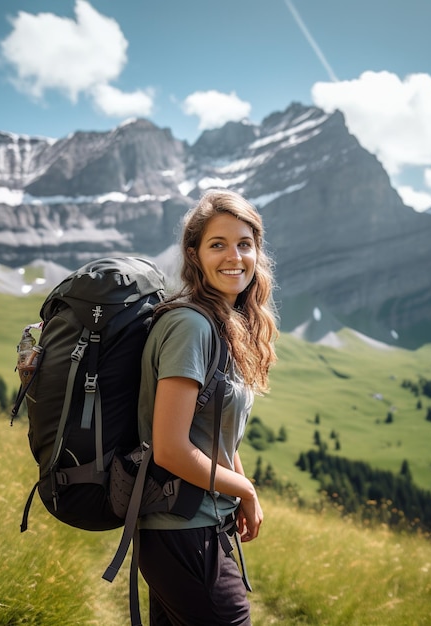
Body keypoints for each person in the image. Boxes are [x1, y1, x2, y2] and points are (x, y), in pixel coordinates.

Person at [137, 189, 279, 625]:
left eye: (244, 244)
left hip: (198, 526)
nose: (233, 256)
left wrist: (237, 486)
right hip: (181, 531)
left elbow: (216, 433)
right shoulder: (190, 326)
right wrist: (246, 490)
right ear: (195, 255)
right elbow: (171, 449)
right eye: (217, 244)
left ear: (257, 252)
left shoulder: (222, 323)